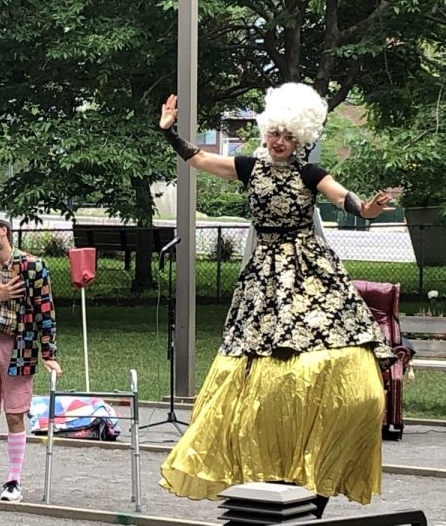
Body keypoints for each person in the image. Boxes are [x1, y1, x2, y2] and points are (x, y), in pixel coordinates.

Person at [157, 83, 396, 517]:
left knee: (323, 350)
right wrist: (170, 132)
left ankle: (316, 464)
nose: (279, 142)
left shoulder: (310, 173)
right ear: (265, 132)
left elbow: (345, 199)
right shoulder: (250, 166)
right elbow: (201, 159)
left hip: (308, 265)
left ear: (300, 139)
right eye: (274, 134)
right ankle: (266, 461)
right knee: (258, 357)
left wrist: (370, 209)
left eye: (288, 136)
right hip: (263, 272)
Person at [0, 207, 62, 503]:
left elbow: (46, 311)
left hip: (21, 347)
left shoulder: (33, 266)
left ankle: (14, 481)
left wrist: (48, 352)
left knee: (15, 414)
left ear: (3, 229)